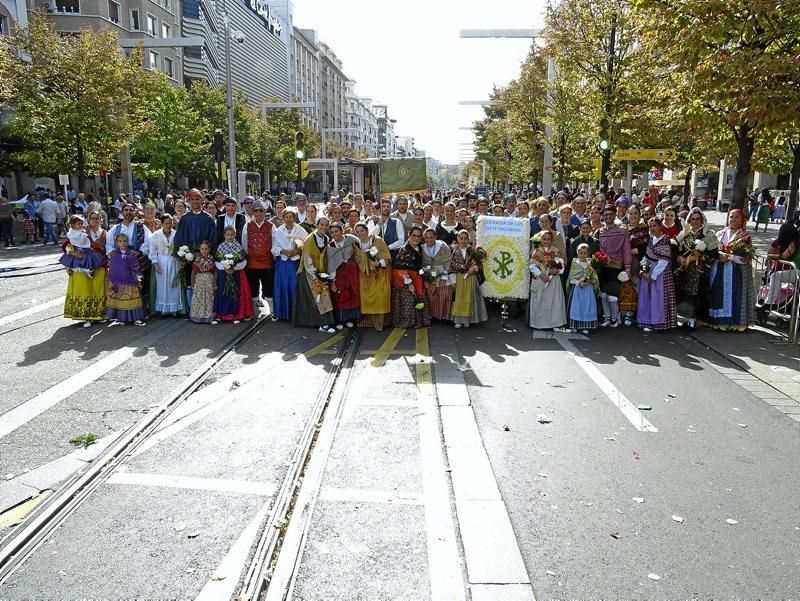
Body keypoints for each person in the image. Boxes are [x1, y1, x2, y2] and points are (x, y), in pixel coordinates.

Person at [708, 209, 756, 331]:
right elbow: (713, 250)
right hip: (720, 269)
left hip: (736, 272)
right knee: (719, 296)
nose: (733, 219)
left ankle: (733, 322)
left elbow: (746, 258)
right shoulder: (720, 234)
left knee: (734, 297)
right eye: (731, 217)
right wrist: (719, 255)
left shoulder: (745, 236)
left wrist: (730, 257)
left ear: (741, 220)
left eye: (736, 217)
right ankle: (718, 321)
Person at [674, 208, 717, 329]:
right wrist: (679, 258)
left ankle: (693, 319)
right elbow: (677, 249)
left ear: (702, 220)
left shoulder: (709, 235)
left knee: (695, 294)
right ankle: (683, 318)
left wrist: (699, 257)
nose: (695, 221)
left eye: (698, 219)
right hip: (684, 270)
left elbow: (714, 254)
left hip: (700, 270)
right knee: (683, 293)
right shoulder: (684, 234)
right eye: (692, 219)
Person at [64, 211, 108, 328]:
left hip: (99, 265)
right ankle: (85, 316)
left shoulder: (105, 233)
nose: (95, 220)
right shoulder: (80, 230)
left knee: (98, 289)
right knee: (83, 289)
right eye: (92, 218)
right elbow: (66, 245)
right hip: (81, 264)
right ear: (88, 220)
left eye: (97, 218)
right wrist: (73, 253)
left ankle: (98, 314)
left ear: (101, 220)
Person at [293, 216, 336, 333]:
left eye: (326, 225)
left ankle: (325, 322)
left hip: (322, 273)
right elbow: (307, 260)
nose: (324, 227)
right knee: (319, 296)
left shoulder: (327, 239)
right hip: (308, 273)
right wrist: (316, 275)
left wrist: (327, 275)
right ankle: (322, 324)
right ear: (317, 225)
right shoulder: (309, 239)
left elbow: (328, 258)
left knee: (323, 296)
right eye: (321, 225)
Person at [637, 217, 678, 332]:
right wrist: (644, 268)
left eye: (655, 225)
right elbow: (647, 255)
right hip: (649, 270)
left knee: (659, 297)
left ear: (660, 226)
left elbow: (664, 260)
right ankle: (648, 321)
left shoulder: (665, 239)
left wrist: (654, 275)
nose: (652, 228)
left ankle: (659, 322)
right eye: (650, 226)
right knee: (648, 297)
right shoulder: (651, 239)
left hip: (660, 273)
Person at [597, 205, 632, 327]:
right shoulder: (600, 231)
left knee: (612, 295)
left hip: (616, 266)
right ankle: (607, 317)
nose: (607, 217)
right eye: (605, 214)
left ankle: (614, 318)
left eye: (610, 214)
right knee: (603, 294)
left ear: (614, 214)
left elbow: (626, 250)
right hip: (603, 266)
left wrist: (628, 268)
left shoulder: (622, 231)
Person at [354, 222, 392, 331]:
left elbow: (387, 257)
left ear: (367, 230)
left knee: (380, 297)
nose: (360, 233)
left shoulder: (378, 241)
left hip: (379, 274)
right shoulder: (356, 245)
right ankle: (366, 322)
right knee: (365, 297)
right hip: (365, 276)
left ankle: (380, 324)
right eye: (358, 232)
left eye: (362, 231)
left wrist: (378, 263)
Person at [391, 226, 430, 329]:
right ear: (409, 235)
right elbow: (400, 269)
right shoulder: (404, 249)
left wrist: (425, 278)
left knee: (419, 299)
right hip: (405, 280)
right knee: (409, 301)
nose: (416, 238)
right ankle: (408, 322)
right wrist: (409, 284)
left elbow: (419, 267)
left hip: (417, 277)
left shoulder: (420, 248)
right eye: (413, 236)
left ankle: (418, 321)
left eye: (418, 236)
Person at [212, 227, 253, 324]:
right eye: (228, 235)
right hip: (223, 274)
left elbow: (243, 261)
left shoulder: (238, 246)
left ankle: (236, 315)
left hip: (236, 274)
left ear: (235, 235)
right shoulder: (221, 247)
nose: (230, 237)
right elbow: (217, 261)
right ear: (224, 235)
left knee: (235, 294)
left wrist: (234, 268)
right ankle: (221, 315)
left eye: (232, 235)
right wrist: (225, 267)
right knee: (223, 293)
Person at [271, 208, 307, 321]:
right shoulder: (278, 231)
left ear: (294, 217)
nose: (288, 219)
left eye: (290, 217)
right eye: (286, 217)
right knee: (282, 286)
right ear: (283, 217)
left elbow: (306, 244)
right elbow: (273, 247)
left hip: (295, 262)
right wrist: (283, 251)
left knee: (294, 286)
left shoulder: (300, 229)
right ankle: (282, 313)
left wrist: (298, 251)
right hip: (282, 262)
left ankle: (295, 313)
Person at [148, 214, 186, 316]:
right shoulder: (155, 235)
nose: (169, 225)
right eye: (166, 223)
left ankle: (174, 309)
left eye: (170, 223)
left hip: (174, 261)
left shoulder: (176, 234)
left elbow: (181, 247)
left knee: (174, 285)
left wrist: (181, 259)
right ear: (162, 223)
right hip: (161, 261)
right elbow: (152, 251)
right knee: (162, 285)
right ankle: (163, 309)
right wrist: (155, 263)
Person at [528, 229, 567, 330]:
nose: (546, 241)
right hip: (541, 278)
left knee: (554, 301)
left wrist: (557, 271)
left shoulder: (555, 250)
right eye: (544, 239)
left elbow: (561, 265)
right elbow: (532, 266)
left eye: (548, 239)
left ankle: (554, 323)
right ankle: (539, 324)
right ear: (541, 240)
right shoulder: (536, 252)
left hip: (553, 279)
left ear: (551, 240)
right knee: (540, 301)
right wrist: (541, 275)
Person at [241, 200, 275, 315]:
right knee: (253, 288)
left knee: (269, 287)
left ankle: (272, 312)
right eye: (256, 210)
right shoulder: (248, 225)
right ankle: (254, 312)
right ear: (253, 212)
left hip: (267, 262)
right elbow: (244, 243)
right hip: (252, 262)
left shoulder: (271, 226)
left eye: (261, 210)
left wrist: (273, 259)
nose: (259, 212)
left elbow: (274, 243)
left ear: (265, 212)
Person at [327, 223, 363, 328]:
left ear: (342, 231)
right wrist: (332, 282)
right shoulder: (331, 246)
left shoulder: (351, 239)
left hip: (352, 272)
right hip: (340, 275)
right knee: (341, 295)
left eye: (336, 231)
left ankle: (352, 319)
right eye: (332, 232)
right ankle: (341, 321)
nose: (334, 234)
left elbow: (361, 244)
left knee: (353, 293)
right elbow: (332, 265)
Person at [449, 230, 488, 328]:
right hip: (459, 277)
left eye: (465, 238)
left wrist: (474, 268)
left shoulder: (472, 251)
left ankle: (467, 319)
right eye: (461, 238)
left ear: (468, 239)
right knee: (458, 298)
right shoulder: (455, 251)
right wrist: (453, 280)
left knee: (469, 298)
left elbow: (478, 264)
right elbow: (452, 266)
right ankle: (458, 320)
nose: (463, 240)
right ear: (457, 239)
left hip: (470, 278)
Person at [106, 233, 146, 326]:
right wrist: (111, 280)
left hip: (130, 282)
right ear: (116, 243)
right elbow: (112, 269)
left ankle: (136, 318)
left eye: (125, 241)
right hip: (118, 282)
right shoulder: (114, 255)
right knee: (122, 301)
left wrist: (139, 280)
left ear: (128, 242)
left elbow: (136, 268)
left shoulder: (131, 254)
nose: (123, 243)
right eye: (120, 241)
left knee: (133, 300)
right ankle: (123, 318)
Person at [619, 205, 650, 326]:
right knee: (623, 285)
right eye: (631, 213)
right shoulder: (622, 228)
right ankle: (622, 312)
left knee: (634, 286)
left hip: (636, 262)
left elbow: (645, 247)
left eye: (635, 213)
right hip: (622, 262)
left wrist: (628, 251)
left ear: (639, 214)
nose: (633, 216)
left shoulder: (643, 230)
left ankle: (631, 313)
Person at [566, 243, 600, 335]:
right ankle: (574, 325)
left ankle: (585, 326)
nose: (583, 255)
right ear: (577, 253)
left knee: (587, 307)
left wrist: (590, 281)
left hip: (587, 289)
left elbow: (594, 277)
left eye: (585, 253)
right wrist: (578, 282)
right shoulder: (575, 263)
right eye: (581, 253)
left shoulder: (591, 263)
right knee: (576, 307)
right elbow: (571, 278)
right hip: (577, 289)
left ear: (588, 253)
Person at [421, 228, 454, 321]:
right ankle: (433, 315)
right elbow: (422, 264)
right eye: (426, 238)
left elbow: (448, 262)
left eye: (431, 237)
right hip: (429, 273)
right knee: (431, 294)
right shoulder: (422, 248)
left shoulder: (443, 246)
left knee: (445, 293)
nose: (429, 240)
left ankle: (444, 316)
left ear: (435, 237)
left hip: (443, 272)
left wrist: (444, 276)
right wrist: (426, 276)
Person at [189, 241, 216, 324]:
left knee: (208, 299)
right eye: (202, 249)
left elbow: (215, 272)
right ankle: (198, 316)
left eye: (206, 249)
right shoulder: (197, 260)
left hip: (209, 282)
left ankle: (208, 316)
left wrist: (214, 284)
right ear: (199, 250)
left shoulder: (211, 259)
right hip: (199, 283)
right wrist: (193, 284)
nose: (204, 251)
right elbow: (193, 273)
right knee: (199, 298)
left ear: (209, 249)